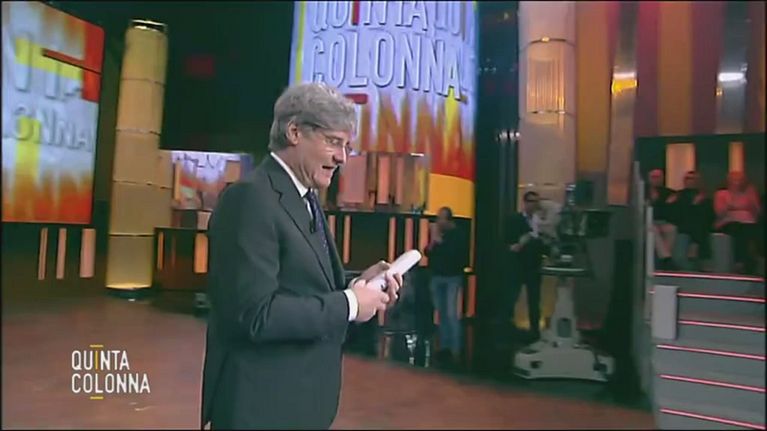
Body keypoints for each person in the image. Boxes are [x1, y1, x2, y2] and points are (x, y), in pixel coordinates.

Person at [200, 82, 403, 430]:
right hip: (260, 411)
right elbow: (256, 315)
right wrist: (351, 304)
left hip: (299, 406)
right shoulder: (249, 198)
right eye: (333, 142)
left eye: (347, 146)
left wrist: (358, 283)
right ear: (294, 132)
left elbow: (301, 284)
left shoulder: (306, 197)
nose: (342, 157)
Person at [423, 207, 467, 367]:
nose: (438, 222)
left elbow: (456, 256)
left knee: (451, 313)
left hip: (451, 278)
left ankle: (455, 350)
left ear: (448, 220)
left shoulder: (458, 235)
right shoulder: (438, 235)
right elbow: (427, 252)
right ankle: (444, 347)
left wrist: (440, 242)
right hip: (437, 276)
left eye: (440, 218)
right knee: (441, 314)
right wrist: (433, 242)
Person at [503, 191, 545, 341]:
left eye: (537, 202)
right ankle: (507, 329)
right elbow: (507, 241)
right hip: (517, 266)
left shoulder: (540, 221)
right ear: (525, 203)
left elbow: (541, 243)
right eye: (532, 201)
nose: (535, 205)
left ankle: (535, 331)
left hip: (534, 267)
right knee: (512, 297)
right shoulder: (514, 219)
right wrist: (515, 245)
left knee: (534, 301)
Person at [713, 171, 761, 274]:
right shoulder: (722, 194)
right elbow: (719, 213)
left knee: (750, 231)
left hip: (749, 223)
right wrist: (733, 203)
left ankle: (746, 262)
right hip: (728, 223)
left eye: (739, 180)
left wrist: (751, 200)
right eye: (734, 180)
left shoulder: (749, 193)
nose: (737, 183)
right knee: (738, 228)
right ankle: (741, 262)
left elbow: (757, 212)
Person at [671, 171, 714, 271]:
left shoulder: (705, 197)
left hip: (699, 231)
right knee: (679, 258)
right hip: (683, 229)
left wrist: (695, 206)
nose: (689, 181)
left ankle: (696, 246)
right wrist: (694, 205)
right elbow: (676, 214)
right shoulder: (677, 195)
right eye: (687, 178)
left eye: (692, 179)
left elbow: (708, 217)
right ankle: (694, 270)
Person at [647, 169, 678, 270]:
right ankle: (666, 258)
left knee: (672, 228)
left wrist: (659, 203)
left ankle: (665, 259)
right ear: (649, 178)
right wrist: (663, 203)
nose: (656, 179)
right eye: (653, 177)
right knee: (653, 229)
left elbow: (668, 211)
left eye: (658, 177)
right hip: (647, 221)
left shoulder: (670, 192)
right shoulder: (643, 191)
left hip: (663, 221)